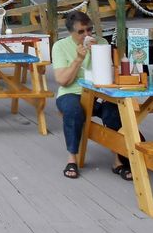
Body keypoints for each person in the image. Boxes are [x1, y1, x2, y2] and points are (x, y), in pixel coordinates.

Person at [51, 11, 131, 180]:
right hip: (72, 92)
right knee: (73, 111)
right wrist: (79, 59)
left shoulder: (101, 42)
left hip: (99, 92)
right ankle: (72, 157)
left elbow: (108, 74)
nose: (86, 34)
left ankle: (119, 160)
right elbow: (62, 81)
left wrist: (96, 52)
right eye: (81, 32)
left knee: (114, 110)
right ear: (71, 32)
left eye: (89, 30)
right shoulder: (60, 46)